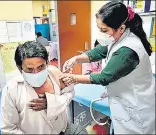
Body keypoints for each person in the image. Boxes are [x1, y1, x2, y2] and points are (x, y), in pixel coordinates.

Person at [60, 1, 155, 134]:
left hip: (137, 108)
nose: (100, 33)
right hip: (123, 100)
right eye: (98, 28)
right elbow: (99, 51)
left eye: (104, 30)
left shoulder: (128, 50)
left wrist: (73, 78)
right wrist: (76, 59)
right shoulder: (116, 37)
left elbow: (105, 77)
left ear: (121, 28)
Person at [0, 41, 87, 134]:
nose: (36, 73)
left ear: (47, 62)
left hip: (64, 129)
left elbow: (70, 92)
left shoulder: (54, 73)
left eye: (41, 67)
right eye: (29, 69)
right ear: (19, 68)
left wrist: (52, 103)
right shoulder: (12, 90)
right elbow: (8, 130)